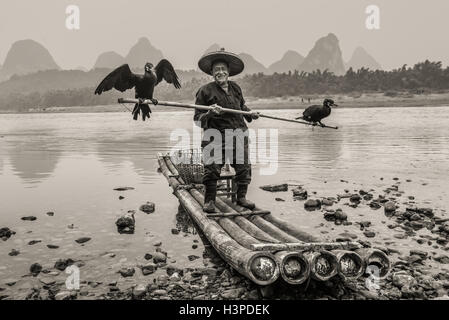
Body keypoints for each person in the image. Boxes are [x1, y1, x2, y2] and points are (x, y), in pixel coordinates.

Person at [194, 48, 259, 213]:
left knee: (243, 167)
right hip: (215, 136)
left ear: (229, 72)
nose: (220, 72)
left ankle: (241, 198)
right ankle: (209, 201)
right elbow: (197, 119)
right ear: (211, 72)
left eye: (223, 69)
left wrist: (251, 113)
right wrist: (209, 112)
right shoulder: (204, 91)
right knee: (212, 169)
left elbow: (241, 107)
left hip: (238, 133)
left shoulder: (236, 88)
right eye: (217, 70)